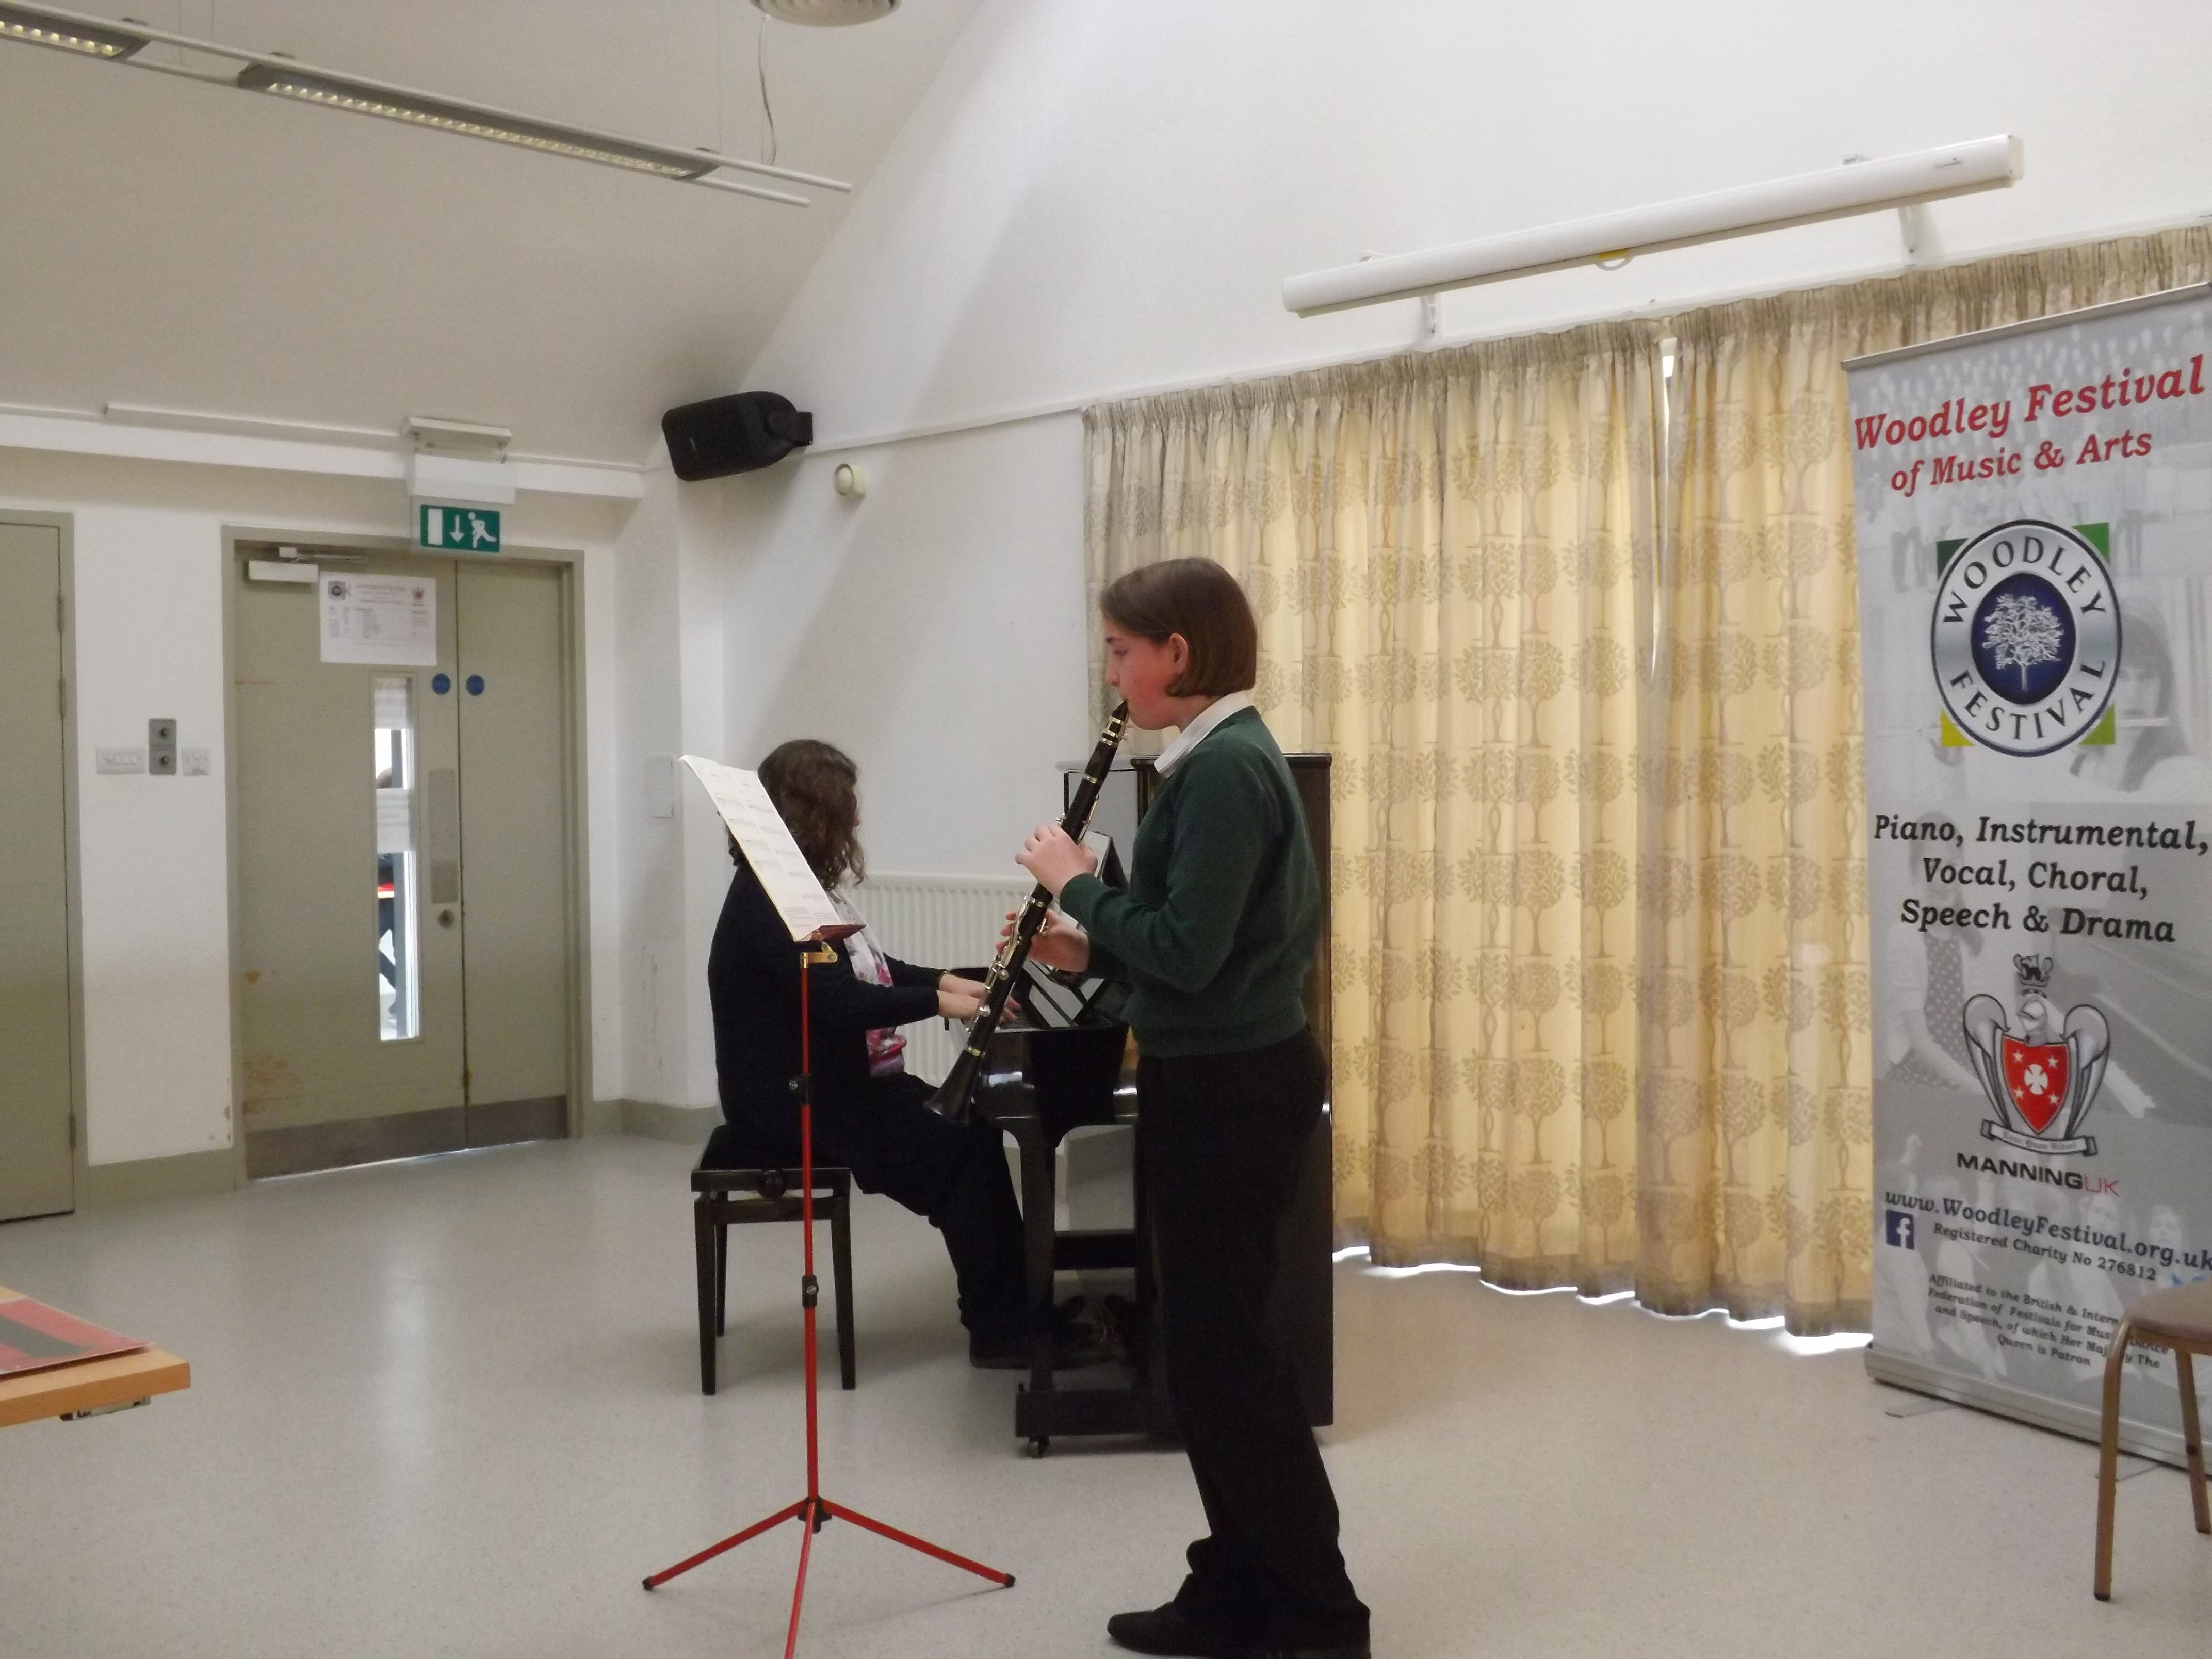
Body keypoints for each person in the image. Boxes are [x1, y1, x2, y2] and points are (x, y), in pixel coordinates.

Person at [1016, 559, 1370, 1659]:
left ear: (1177, 653)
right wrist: (1087, 950)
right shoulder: (1215, 758)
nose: (1111, 674)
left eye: (1121, 651)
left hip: (1230, 1089)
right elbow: (1192, 950)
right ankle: (1235, 1591)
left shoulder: (1221, 771)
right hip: (1217, 1073)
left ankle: (1318, 1618)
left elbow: (1188, 950)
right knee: (1212, 1361)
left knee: (1232, 1365)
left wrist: (1077, 883)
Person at [708, 738, 1038, 1368]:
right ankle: (1002, 1331)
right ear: (815, 815)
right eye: (847, 806)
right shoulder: (774, 903)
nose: (856, 820)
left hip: (825, 1084)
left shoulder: (787, 887)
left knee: (967, 1128)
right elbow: (840, 1003)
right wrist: (939, 1003)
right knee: (961, 1146)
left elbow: (868, 969)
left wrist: (943, 979)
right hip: (794, 1107)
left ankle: (1015, 1310)